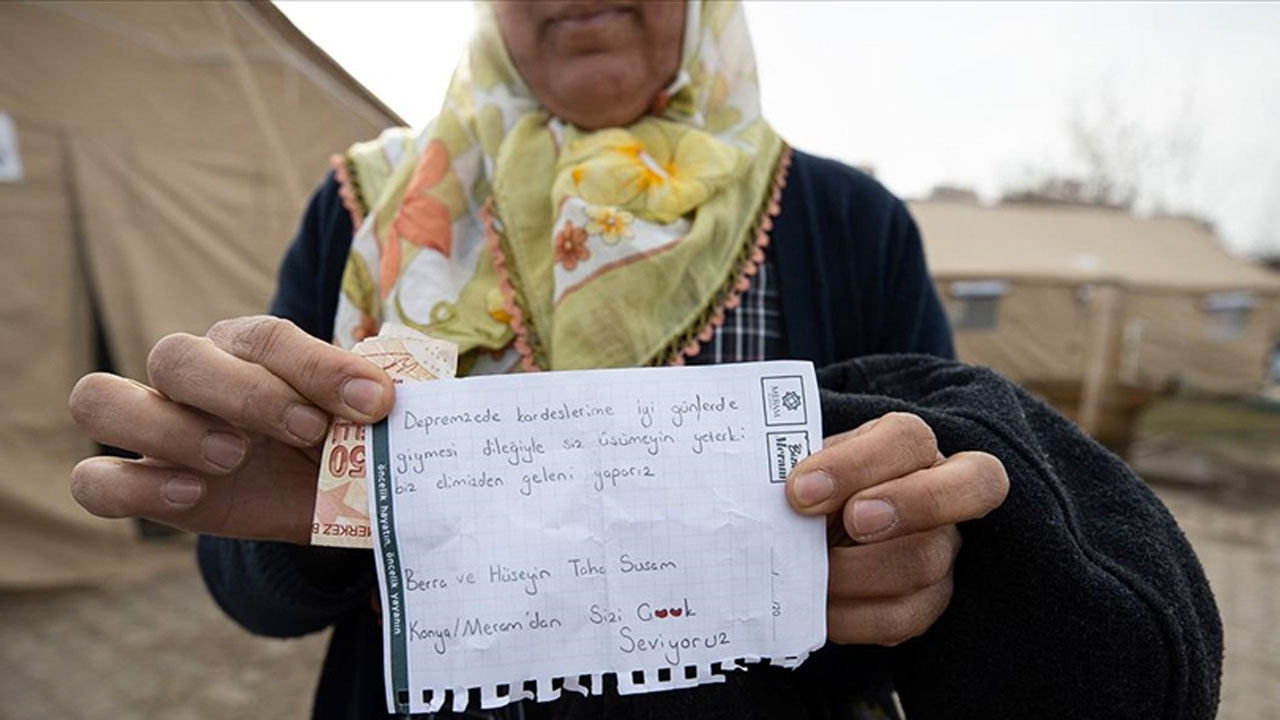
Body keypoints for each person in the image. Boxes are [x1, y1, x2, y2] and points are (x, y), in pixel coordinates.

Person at [66, 2, 1220, 719]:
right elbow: (253, 589)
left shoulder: (842, 220)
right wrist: (309, 519)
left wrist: (936, 569)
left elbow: (933, 520)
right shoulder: (367, 211)